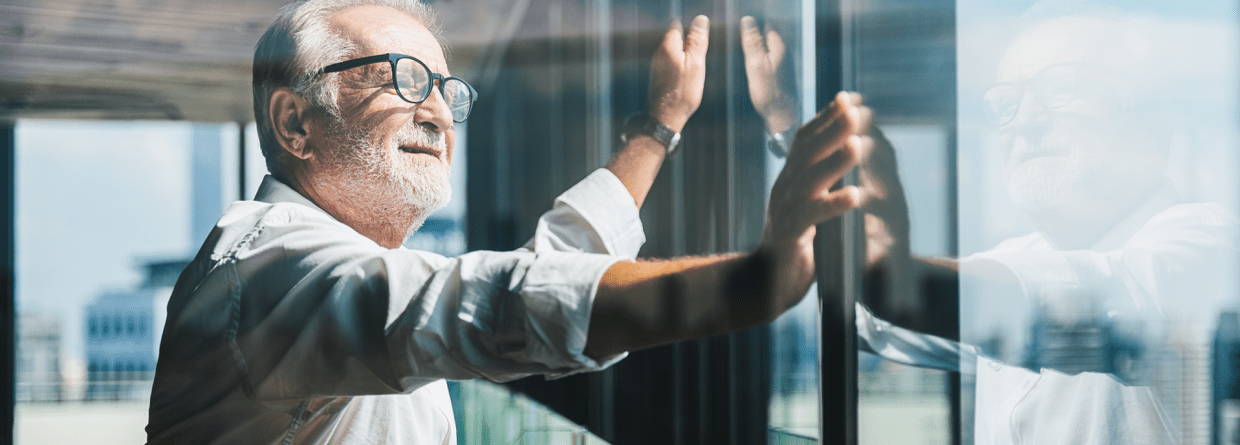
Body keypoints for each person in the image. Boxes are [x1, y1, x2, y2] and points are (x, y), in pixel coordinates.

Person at [145, 0, 873, 443]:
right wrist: (754, 278)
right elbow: (499, 301)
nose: (435, 109)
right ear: (295, 120)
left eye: (443, 88)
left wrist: (657, 128)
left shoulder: (350, 272)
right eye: (400, 77)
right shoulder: (268, 268)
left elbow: (547, 261)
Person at [738, 5, 1240, 444]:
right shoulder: (1019, 257)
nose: (1025, 121)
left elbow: (1072, 302)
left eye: (1061, 89)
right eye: (1007, 104)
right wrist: (789, 125)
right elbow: (879, 323)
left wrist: (899, 271)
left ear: (1148, 114)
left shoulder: (1208, 246)